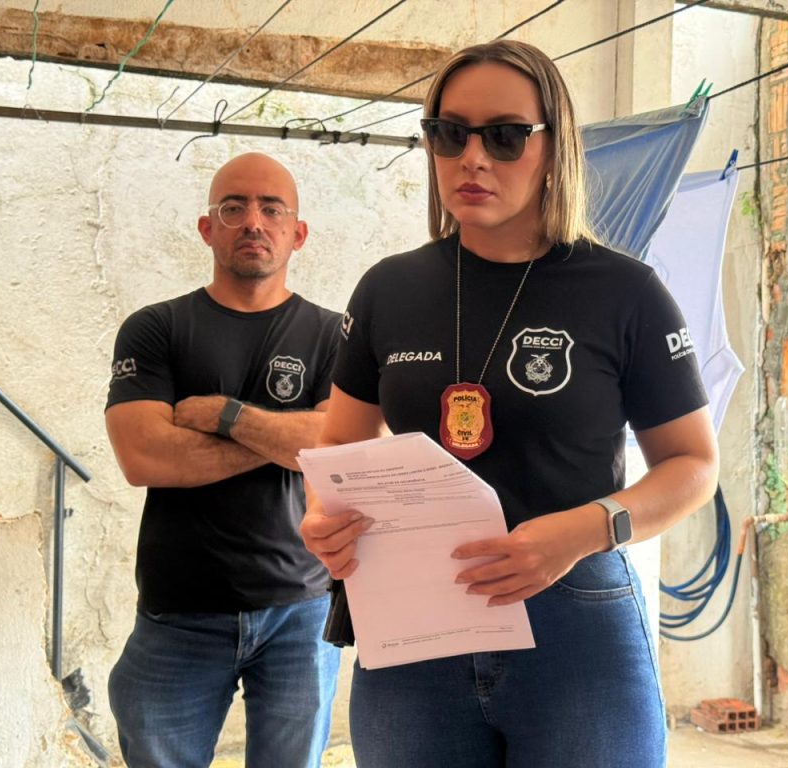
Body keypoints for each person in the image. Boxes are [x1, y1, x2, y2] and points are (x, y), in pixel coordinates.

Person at [300, 41, 719, 768]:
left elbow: (693, 466)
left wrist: (584, 531)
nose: (472, 157)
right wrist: (323, 516)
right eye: (449, 133)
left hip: (574, 621)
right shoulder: (388, 291)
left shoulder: (625, 293)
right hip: (415, 625)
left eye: (504, 136)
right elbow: (340, 444)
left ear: (554, 148)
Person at [105, 152, 342, 768]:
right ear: (208, 228)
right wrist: (289, 440)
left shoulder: (333, 334)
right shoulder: (155, 328)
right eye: (233, 208)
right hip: (179, 612)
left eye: (272, 209)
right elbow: (144, 456)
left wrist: (225, 415)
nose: (253, 222)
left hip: (301, 608)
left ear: (298, 233)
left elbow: (339, 449)